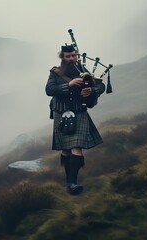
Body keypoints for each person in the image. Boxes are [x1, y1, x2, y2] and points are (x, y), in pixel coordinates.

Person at [45, 44, 105, 195]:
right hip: (62, 113)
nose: (71, 59)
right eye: (68, 56)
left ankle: (72, 183)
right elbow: (49, 90)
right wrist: (68, 85)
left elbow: (101, 85)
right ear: (63, 58)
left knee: (76, 146)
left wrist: (92, 90)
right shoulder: (55, 73)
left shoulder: (84, 72)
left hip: (79, 112)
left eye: (73, 55)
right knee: (66, 149)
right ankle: (69, 181)